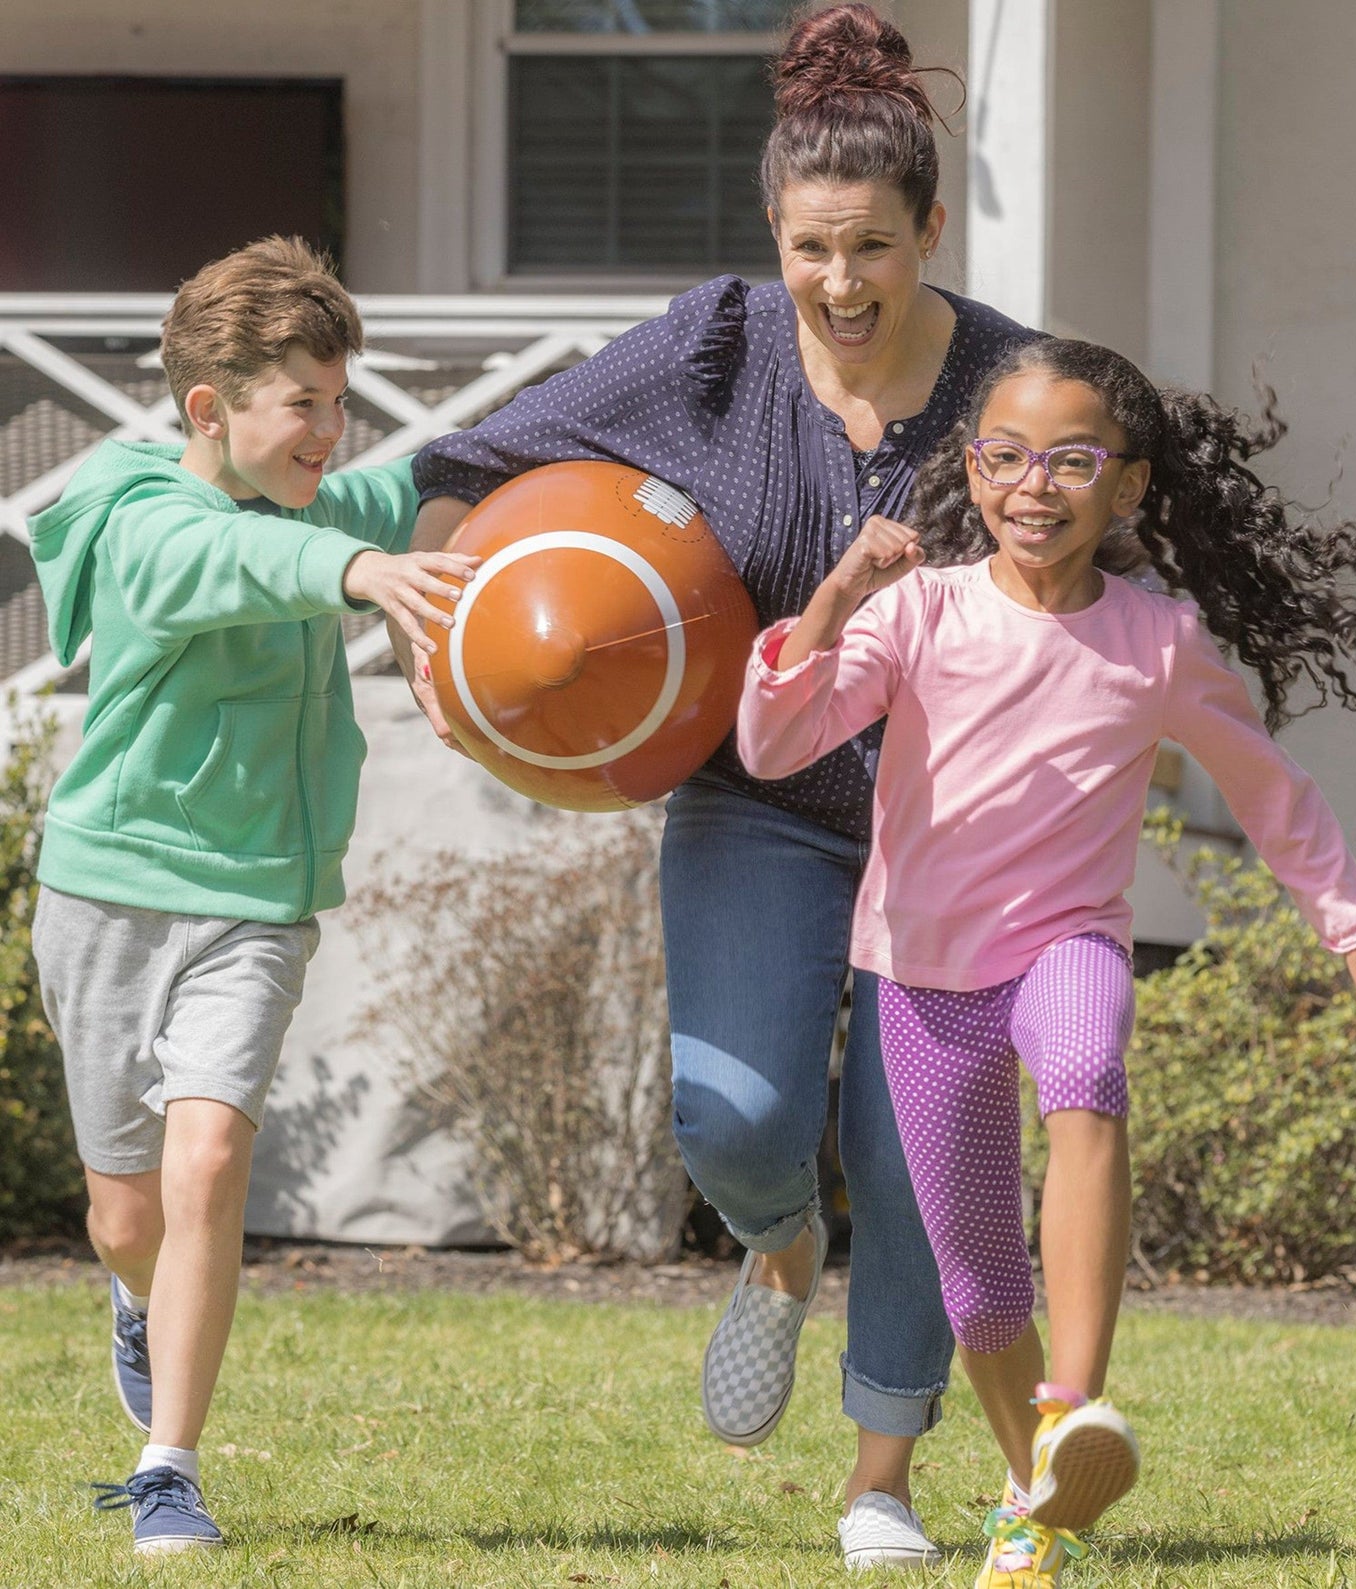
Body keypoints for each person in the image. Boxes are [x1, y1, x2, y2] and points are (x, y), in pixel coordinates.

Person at [402, 2, 1037, 1566]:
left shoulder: (1018, 387)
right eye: (813, 246)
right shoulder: (718, 339)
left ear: (929, 230)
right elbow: (476, 465)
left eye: (874, 248)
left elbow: (1115, 573)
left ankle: (879, 1480)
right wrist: (447, 634)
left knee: (919, 1162)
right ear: (775, 229)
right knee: (736, 1119)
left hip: (949, 833)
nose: (840, 283)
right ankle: (773, 1242)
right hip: (759, 792)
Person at [735, 334, 1356, 1586]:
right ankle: (1032, 1492)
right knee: (973, 1274)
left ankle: (1072, 1404)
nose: (1032, 485)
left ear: (1124, 487)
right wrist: (835, 596)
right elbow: (776, 740)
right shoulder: (919, 612)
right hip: (920, 967)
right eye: (1004, 457)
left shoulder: (1154, 641)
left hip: (1068, 940)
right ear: (971, 468)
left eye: (1069, 461)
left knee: (1083, 1076)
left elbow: (1269, 792)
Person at [27, 236, 478, 1555]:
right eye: (304, 404)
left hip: (253, 897)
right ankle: (140, 1295)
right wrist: (362, 573)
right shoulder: (138, 522)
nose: (333, 433)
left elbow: (444, 473)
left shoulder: (323, 497)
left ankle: (168, 1466)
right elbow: (223, 566)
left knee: (211, 1153)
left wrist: (635, 387)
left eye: (343, 402)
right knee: (126, 1215)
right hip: (106, 893)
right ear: (212, 410)